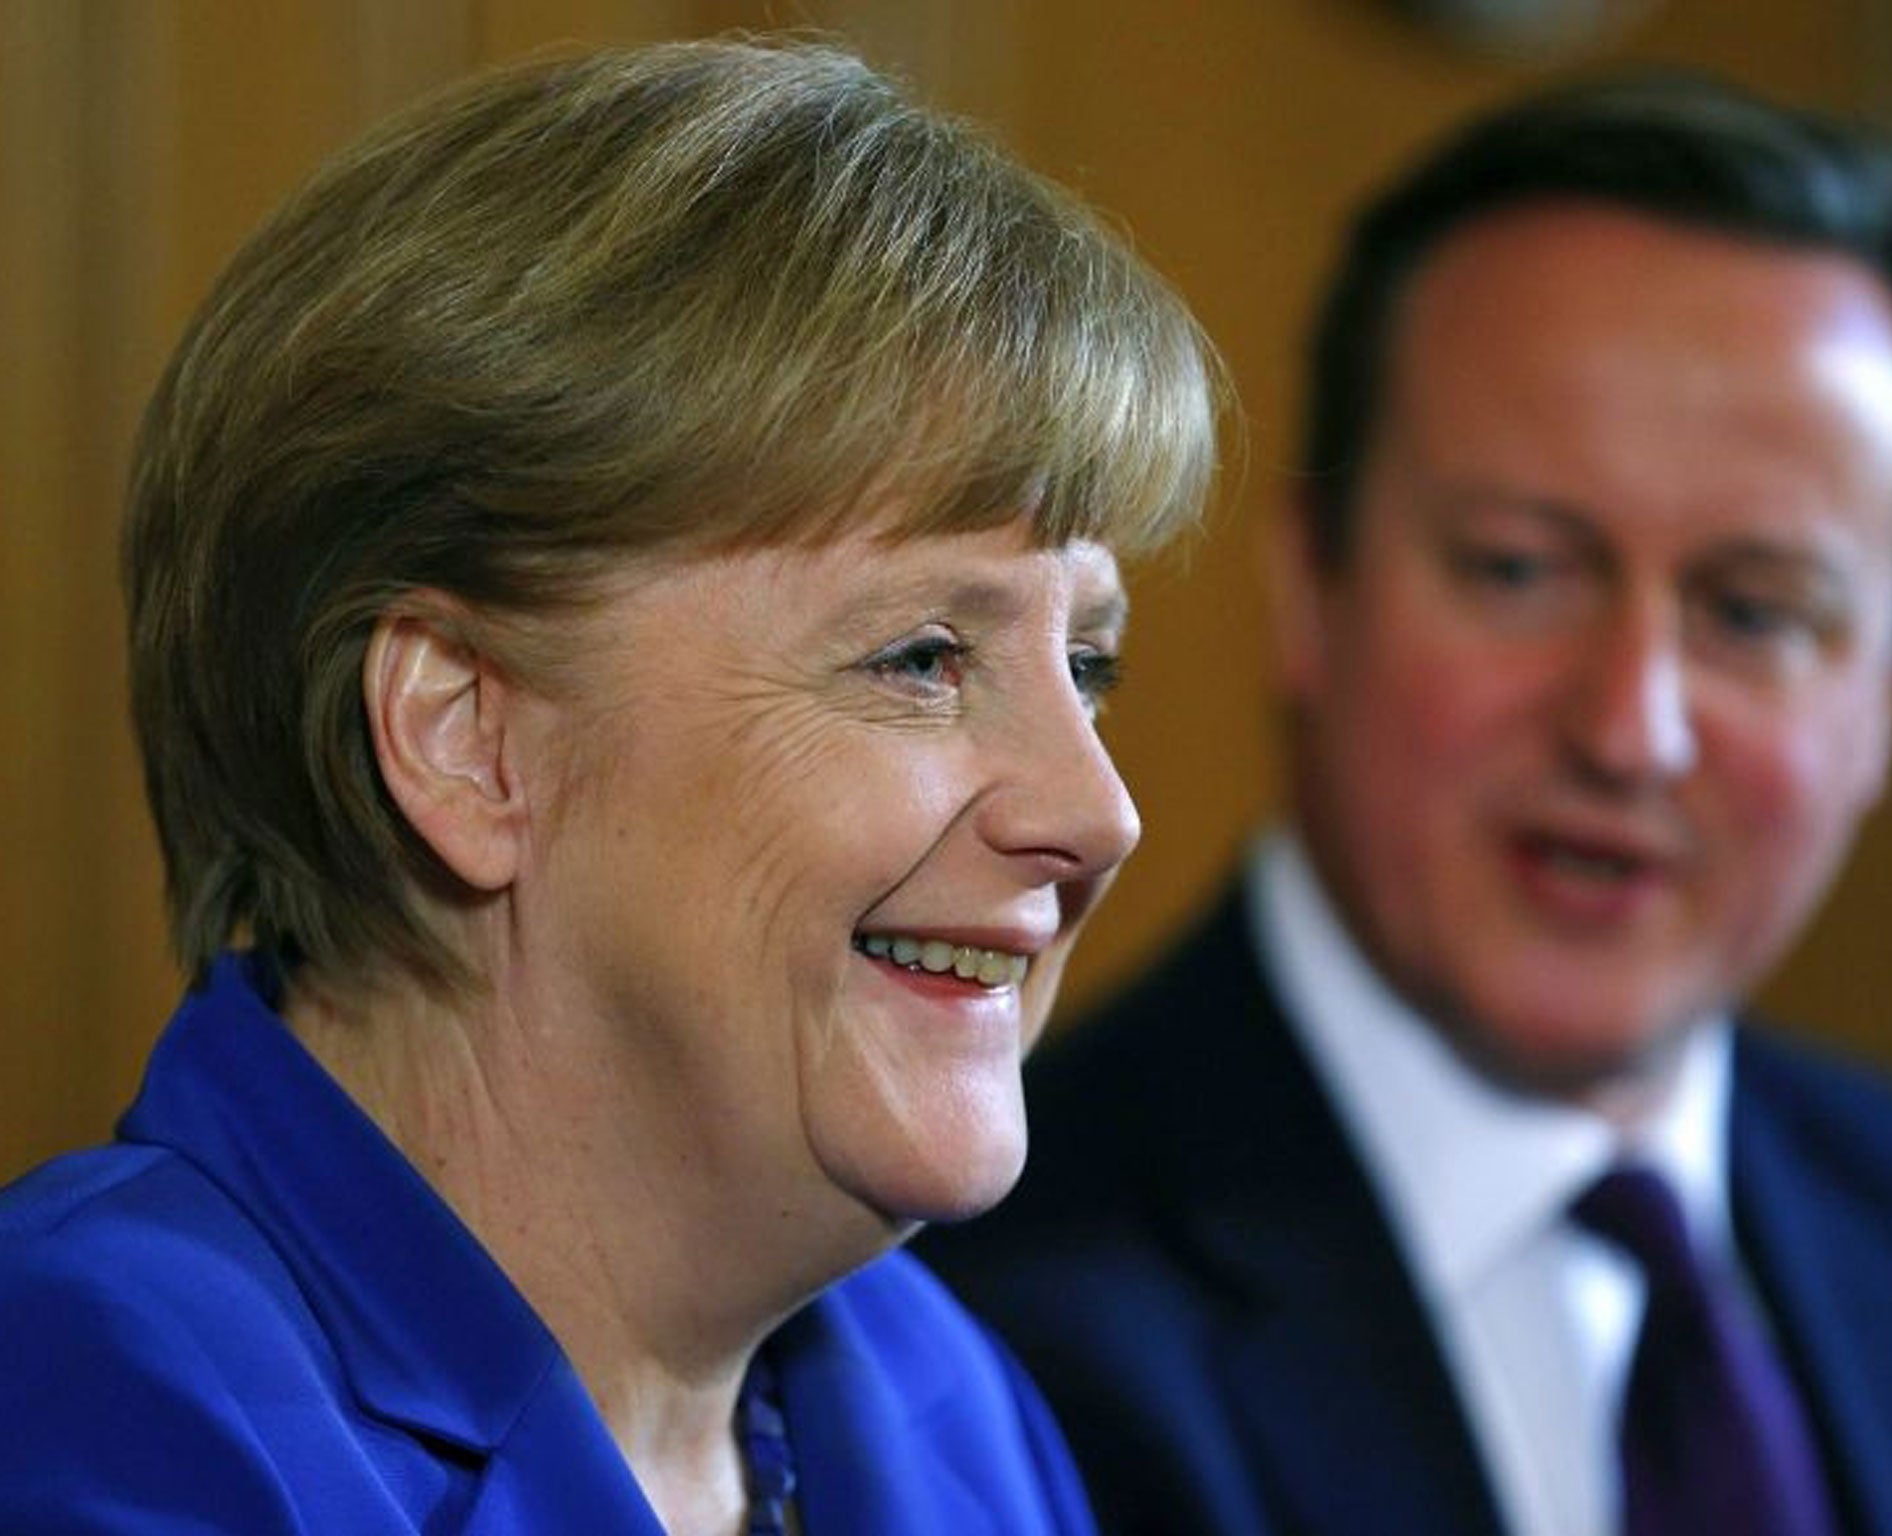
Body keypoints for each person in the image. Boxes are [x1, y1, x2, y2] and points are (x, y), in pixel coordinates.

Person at [0, 38, 1219, 1536]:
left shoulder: (940, 1404)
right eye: (921, 655)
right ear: (465, 736)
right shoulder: (97, 1402)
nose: (1099, 812)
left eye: (1087, 665)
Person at [920, 72, 1892, 1536]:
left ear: (1890, 688)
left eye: (1757, 614)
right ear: (1311, 588)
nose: (1628, 731)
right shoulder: (976, 1317)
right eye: (1519, 570)